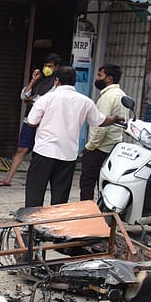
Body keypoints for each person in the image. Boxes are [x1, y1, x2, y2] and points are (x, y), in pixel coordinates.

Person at [24, 65, 124, 207]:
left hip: (44, 152)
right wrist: (115, 118)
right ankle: (56, 227)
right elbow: (100, 121)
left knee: (35, 192)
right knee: (60, 197)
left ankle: (31, 225)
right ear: (74, 81)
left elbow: (32, 122)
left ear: (56, 80)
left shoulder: (47, 98)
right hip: (68, 155)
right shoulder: (85, 101)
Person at [0, 53, 61, 186]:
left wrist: (33, 99)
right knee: (21, 149)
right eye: (45, 65)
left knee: (42, 152)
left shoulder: (57, 83)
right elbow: (24, 96)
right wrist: (33, 80)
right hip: (29, 120)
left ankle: (39, 181)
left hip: (45, 123)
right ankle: (8, 179)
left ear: (56, 67)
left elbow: (44, 100)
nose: (47, 68)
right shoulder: (40, 79)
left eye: (50, 66)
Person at [79, 64, 127, 201]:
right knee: (104, 182)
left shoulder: (108, 97)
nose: (97, 78)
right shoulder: (120, 94)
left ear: (109, 79)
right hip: (113, 144)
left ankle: (87, 213)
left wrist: (90, 146)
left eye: (100, 75)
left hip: (100, 147)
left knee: (87, 181)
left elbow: (101, 125)